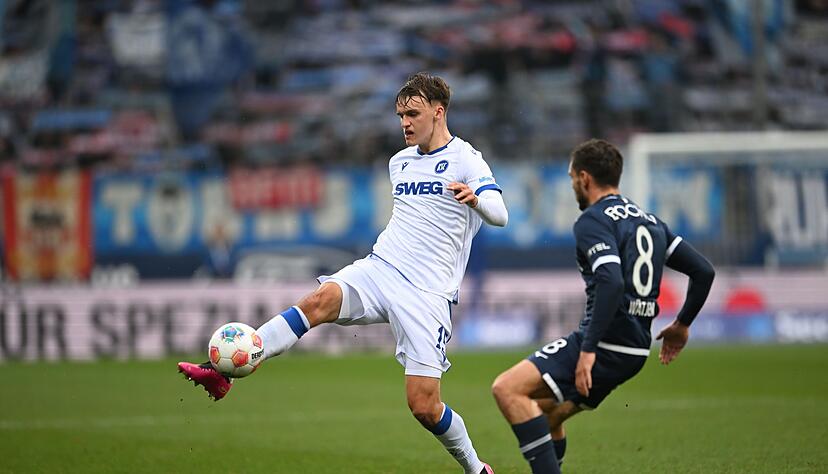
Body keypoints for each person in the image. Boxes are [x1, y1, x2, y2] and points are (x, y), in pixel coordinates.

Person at [178, 72, 507, 474]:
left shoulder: (466, 159)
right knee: (319, 300)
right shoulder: (398, 163)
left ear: (438, 113)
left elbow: (500, 215)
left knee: (423, 405)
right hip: (382, 267)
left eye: (413, 114)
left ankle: (477, 469)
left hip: (427, 293)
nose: (404, 122)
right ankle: (223, 371)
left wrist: (476, 200)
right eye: (400, 114)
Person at [491, 139, 715, 474]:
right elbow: (703, 270)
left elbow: (611, 281)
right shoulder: (650, 222)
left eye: (571, 180)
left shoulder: (592, 221)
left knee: (507, 389)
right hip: (635, 348)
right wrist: (682, 324)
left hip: (605, 341)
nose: (572, 188)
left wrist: (588, 348)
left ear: (584, 178)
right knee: (547, 413)